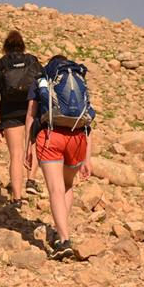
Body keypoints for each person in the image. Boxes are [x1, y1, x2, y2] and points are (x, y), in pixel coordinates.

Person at [25, 55, 95, 261]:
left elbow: (31, 115)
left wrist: (28, 146)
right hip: (78, 138)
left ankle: (64, 239)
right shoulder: (79, 81)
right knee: (66, 185)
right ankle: (60, 232)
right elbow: (88, 120)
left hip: (51, 136)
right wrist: (88, 158)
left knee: (55, 189)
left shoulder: (42, 79)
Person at [0, 31, 43, 207]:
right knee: (32, 145)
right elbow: (43, 84)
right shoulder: (32, 61)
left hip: (9, 112)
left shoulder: (0, 64)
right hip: (32, 108)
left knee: (16, 154)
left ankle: (17, 198)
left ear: (5, 47)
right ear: (22, 45)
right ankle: (31, 180)